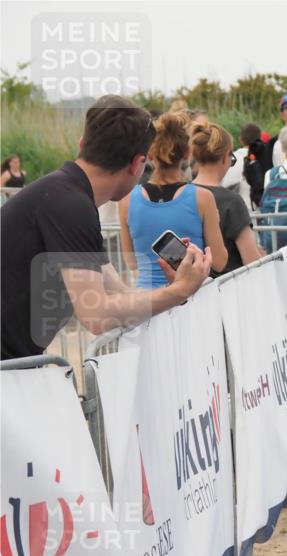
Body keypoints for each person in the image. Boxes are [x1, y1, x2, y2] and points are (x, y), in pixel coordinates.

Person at [1, 95, 212, 360]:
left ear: (82, 145)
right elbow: (97, 315)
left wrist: (175, 290)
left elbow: (120, 292)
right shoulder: (70, 205)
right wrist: (179, 291)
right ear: (137, 164)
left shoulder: (66, 194)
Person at [118, 111, 228, 288]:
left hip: (147, 301)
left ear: (151, 154)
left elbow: (131, 262)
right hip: (190, 298)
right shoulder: (202, 197)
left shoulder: (127, 200)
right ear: (187, 153)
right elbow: (219, 262)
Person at [191, 121, 265, 275]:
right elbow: (251, 260)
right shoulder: (231, 201)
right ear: (225, 157)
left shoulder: (181, 193)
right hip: (228, 288)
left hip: (193, 288)